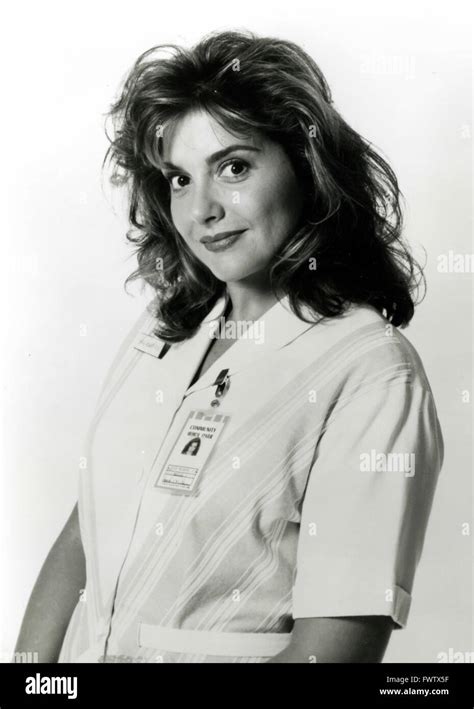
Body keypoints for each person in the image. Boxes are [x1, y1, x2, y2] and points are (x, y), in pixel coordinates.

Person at [15, 29, 444, 664]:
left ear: (306, 166)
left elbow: (329, 657)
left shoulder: (371, 372)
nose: (202, 210)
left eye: (234, 167)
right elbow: (88, 530)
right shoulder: (166, 327)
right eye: (180, 178)